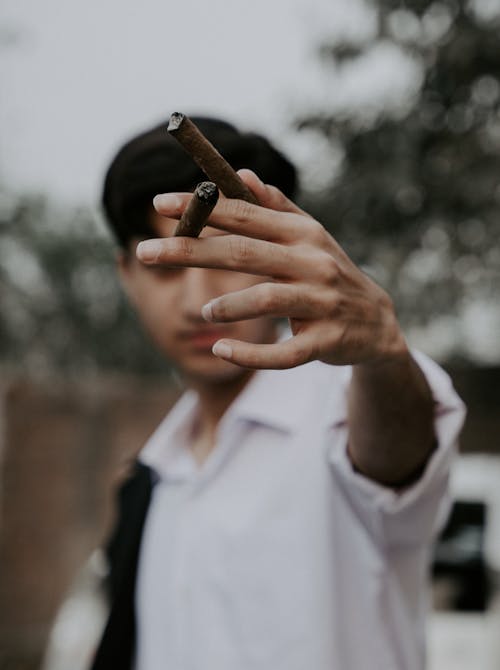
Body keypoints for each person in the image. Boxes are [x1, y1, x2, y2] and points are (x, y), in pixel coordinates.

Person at [91, 116, 465, 670]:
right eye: (170, 267)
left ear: (277, 256)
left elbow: (399, 454)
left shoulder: (347, 402)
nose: (199, 303)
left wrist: (382, 352)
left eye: (225, 260)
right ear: (127, 275)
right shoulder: (151, 477)